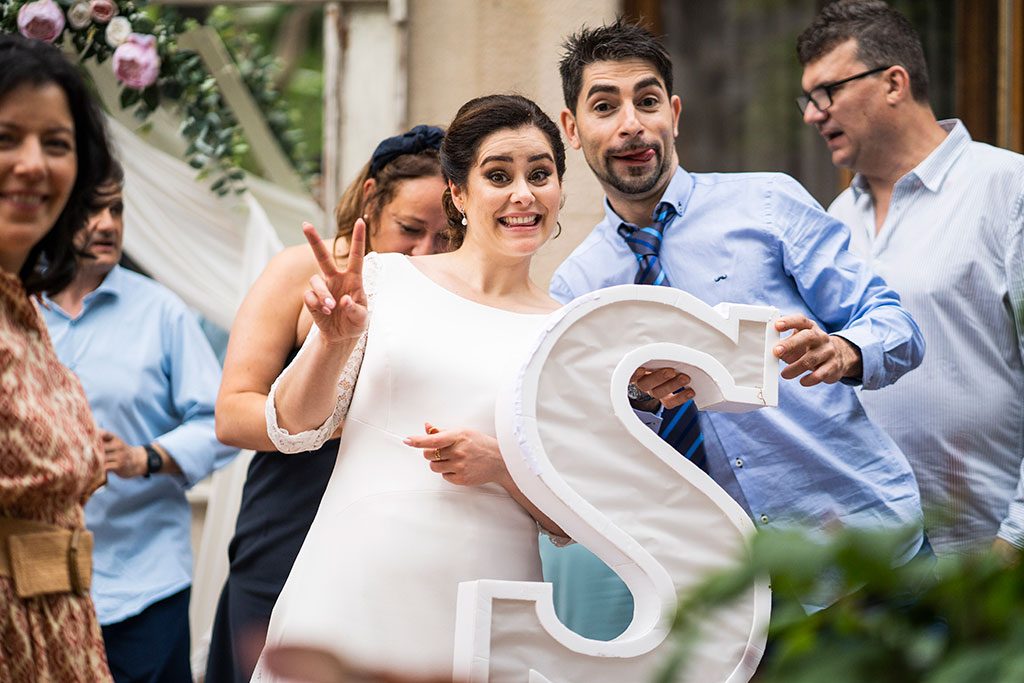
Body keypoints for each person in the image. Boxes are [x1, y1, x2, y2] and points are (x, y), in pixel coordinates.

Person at [545, 18, 927, 638]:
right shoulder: (575, 290)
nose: (631, 125)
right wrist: (639, 403)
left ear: (674, 113)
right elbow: (591, 450)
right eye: (604, 106)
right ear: (572, 129)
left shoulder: (768, 205)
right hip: (734, 599)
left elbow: (896, 323)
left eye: (646, 101)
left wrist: (844, 350)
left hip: (866, 552)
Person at [250, 94, 587, 681]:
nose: (523, 194)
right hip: (353, 584)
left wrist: (503, 466)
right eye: (498, 176)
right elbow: (294, 428)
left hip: (488, 604)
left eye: (540, 174)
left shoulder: (568, 332)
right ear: (457, 193)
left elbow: (570, 519)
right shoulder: (383, 279)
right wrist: (330, 341)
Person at [205, 125, 450, 683]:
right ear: (370, 199)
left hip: (397, 543)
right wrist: (346, 419)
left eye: (446, 235)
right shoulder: (297, 272)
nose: (424, 251)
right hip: (289, 522)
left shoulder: (453, 293)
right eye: (410, 229)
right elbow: (231, 414)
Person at [797, 1, 1024, 560]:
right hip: (869, 577)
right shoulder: (831, 223)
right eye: (806, 99)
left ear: (894, 82)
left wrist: (1013, 543)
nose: (811, 114)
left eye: (827, 92)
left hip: (983, 562)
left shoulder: (1008, 189)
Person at [41, 159, 238, 682]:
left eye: (116, 209)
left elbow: (222, 422)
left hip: (144, 583)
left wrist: (143, 457)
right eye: (90, 209)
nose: (107, 223)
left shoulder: (163, 312)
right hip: (35, 580)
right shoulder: (17, 311)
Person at [0, 34, 114, 681]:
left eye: (56, 143)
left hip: (57, 626)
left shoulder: (23, 305)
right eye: (5, 138)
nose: (32, 164)